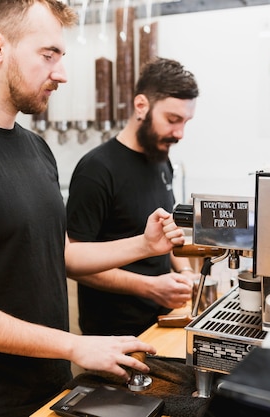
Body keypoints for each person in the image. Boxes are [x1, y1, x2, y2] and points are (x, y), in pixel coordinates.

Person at [0, 2, 185, 416]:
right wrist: (75, 345)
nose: (62, 73)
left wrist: (143, 244)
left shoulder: (36, 149)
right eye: (48, 55)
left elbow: (59, 252)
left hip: (50, 391)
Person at [66, 58, 200, 337]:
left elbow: (168, 230)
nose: (180, 133)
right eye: (173, 120)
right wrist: (149, 286)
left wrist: (186, 272)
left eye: (185, 122)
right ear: (141, 106)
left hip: (161, 319)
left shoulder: (161, 160)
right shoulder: (97, 170)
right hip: (115, 332)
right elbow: (74, 263)